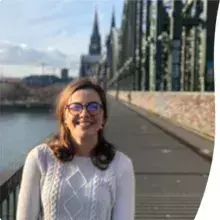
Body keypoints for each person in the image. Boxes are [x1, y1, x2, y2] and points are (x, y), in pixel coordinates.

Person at [16, 78, 135, 220]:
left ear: (104, 118)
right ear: (64, 116)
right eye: (76, 107)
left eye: (93, 107)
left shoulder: (121, 165)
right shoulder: (40, 158)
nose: (84, 114)